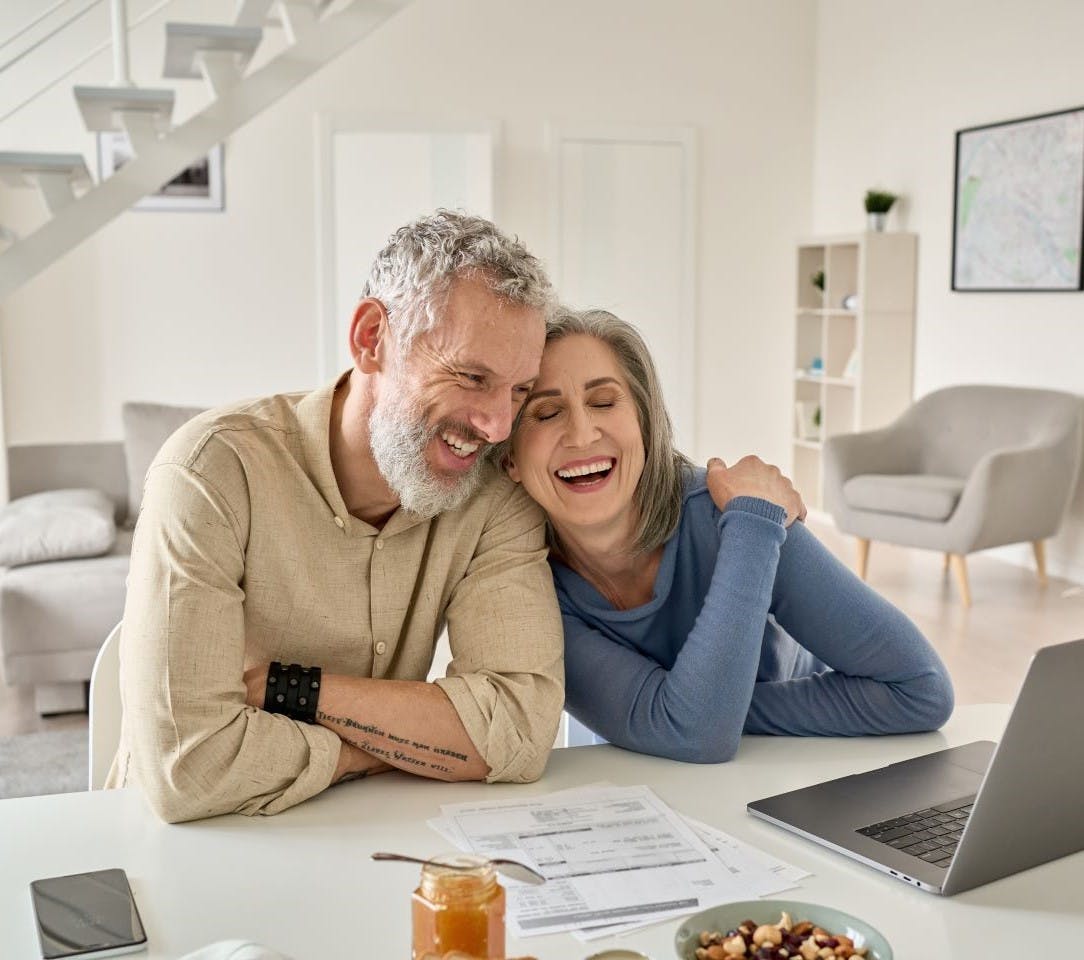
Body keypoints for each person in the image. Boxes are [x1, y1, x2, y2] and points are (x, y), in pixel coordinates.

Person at [108, 211, 565, 822]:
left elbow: (519, 728)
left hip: (356, 837)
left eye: (518, 391)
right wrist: (388, 748)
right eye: (471, 377)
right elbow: (188, 767)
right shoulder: (211, 470)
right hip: (179, 846)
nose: (497, 425)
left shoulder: (494, 498)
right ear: (372, 337)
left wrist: (288, 689)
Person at [504, 309, 954, 762]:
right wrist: (693, 714)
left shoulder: (741, 517)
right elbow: (693, 731)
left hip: (794, 769)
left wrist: (697, 710)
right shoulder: (525, 589)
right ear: (510, 461)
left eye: (604, 402)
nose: (582, 433)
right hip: (646, 787)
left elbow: (921, 688)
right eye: (546, 412)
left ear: (644, 422)